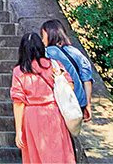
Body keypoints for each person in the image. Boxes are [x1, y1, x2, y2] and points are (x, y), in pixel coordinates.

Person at [11, 31, 77, 163]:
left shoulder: (19, 71)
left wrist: (19, 130)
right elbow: (70, 88)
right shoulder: (54, 65)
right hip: (53, 112)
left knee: (36, 155)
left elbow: (18, 102)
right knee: (58, 152)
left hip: (32, 115)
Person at [43, 19, 96, 126]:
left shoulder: (47, 53)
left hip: (60, 101)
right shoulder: (76, 52)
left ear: (50, 35)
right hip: (78, 101)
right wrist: (88, 104)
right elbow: (87, 80)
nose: (43, 40)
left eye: (43, 35)